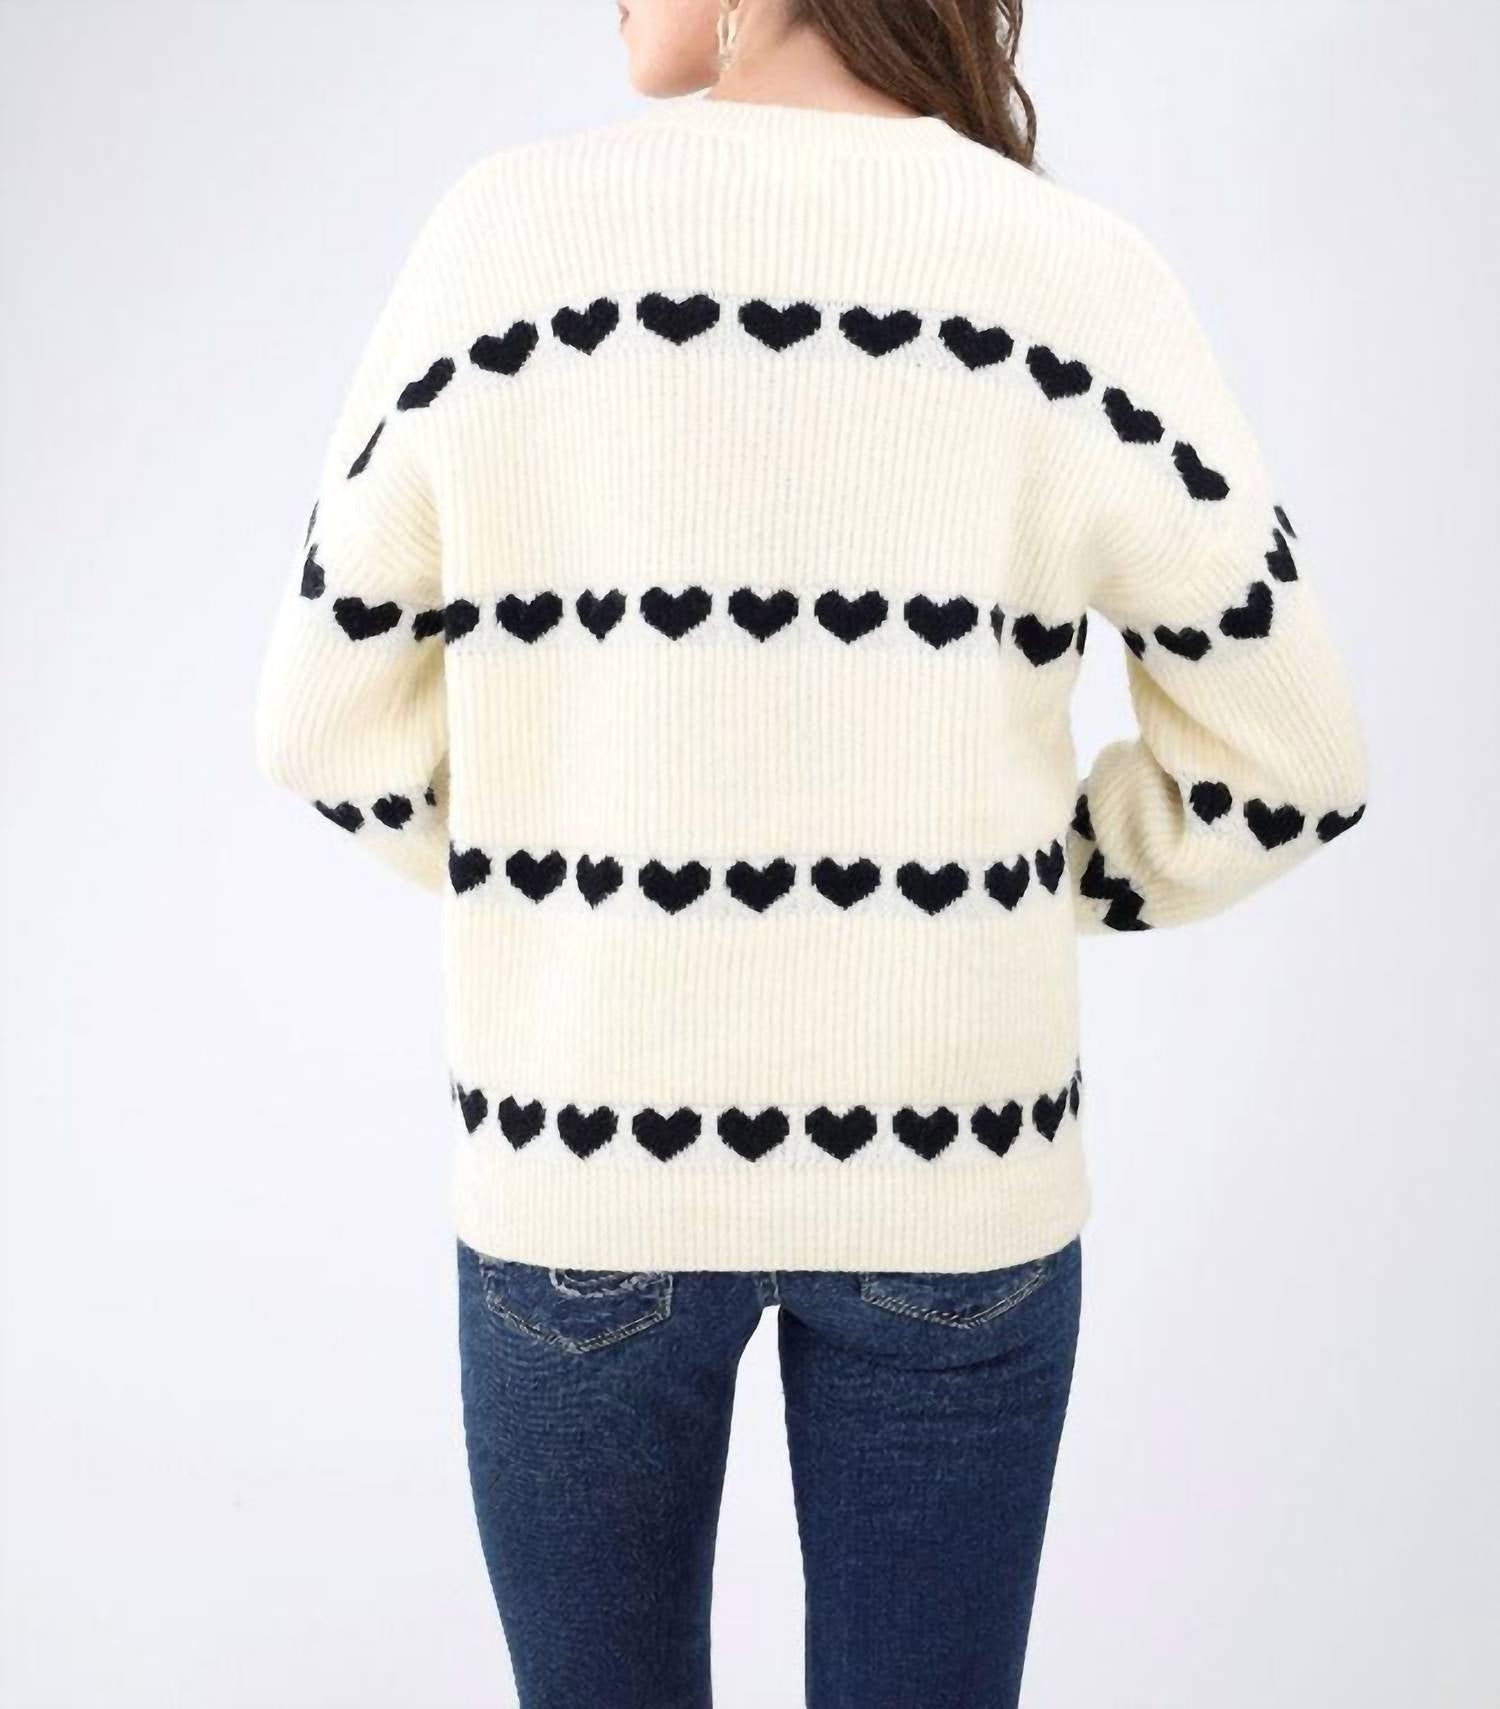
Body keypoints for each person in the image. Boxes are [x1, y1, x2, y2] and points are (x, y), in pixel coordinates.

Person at [252, 1, 1369, 1703]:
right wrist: (990, 887)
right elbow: (1290, 762)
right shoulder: (1073, 275)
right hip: (957, 1166)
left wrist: (580, 877)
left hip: (583, 1161)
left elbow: (322, 720)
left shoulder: (506, 248)